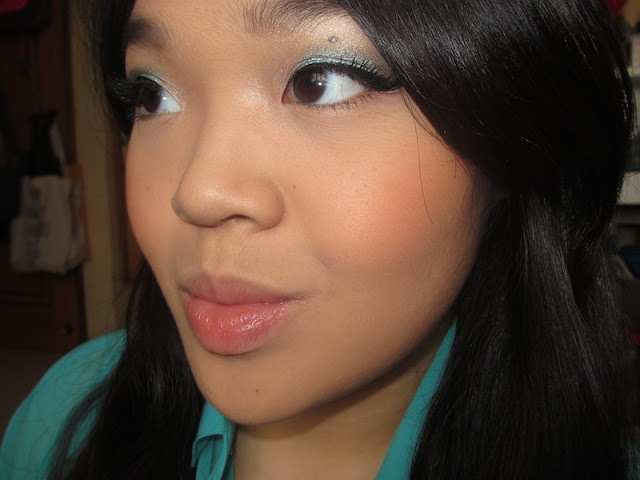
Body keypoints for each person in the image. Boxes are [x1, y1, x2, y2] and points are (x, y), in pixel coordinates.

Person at [1, 0, 637, 478]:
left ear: (514, 140)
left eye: (320, 79)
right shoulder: (64, 417)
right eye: (152, 94)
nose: (198, 192)